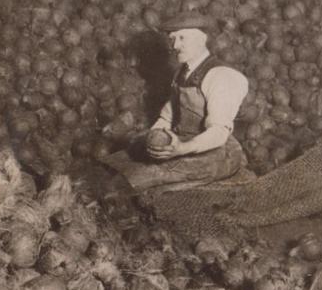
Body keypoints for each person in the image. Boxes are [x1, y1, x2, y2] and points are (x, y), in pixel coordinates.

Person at [103, 13, 249, 193]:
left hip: (216, 151)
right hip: (182, 142)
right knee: (122, 160)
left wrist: (183, 148)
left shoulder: (220, 76)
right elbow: (169, 115)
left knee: (141, 178)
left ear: (202, 39)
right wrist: (155, 134)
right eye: (172, 39)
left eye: (182, 38)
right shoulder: (181, 74)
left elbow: (219, 132)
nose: (175, 45)